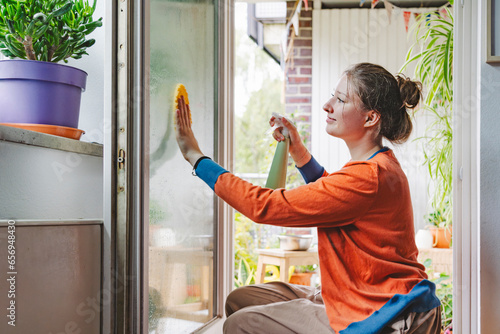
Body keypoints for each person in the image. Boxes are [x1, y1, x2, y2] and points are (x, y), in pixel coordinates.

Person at [174, 62, 441, 334]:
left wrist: (196, 157)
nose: (328, 105)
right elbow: (333, 195)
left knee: (240, 323)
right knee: (240, 300)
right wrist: (298, 151)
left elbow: (262, 206)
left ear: (371, 118)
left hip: (384, 311)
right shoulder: (378, 165)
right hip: (369, 293)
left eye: (340, 100)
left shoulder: (368, 176)